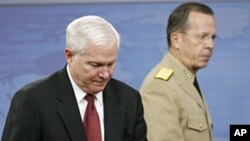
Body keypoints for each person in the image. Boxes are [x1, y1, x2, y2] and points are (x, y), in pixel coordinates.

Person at [2, 15, 147, 141]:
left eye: (111, 64)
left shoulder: (129, 99)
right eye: (95, 65)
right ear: (70, 56)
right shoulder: (32, 101)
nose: (105, 74)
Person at [140, 2, 216, 141]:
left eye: (212, 37)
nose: (210, 45)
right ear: (176, 40)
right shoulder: (160, 86)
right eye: (202, 36)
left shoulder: (187, 80)